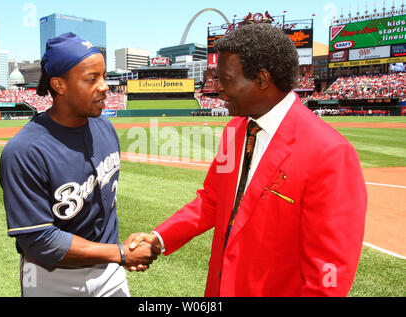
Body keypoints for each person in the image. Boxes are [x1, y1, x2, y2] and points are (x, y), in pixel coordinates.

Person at [130, 23, 367, 297]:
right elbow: (212, 201)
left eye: (225, 79)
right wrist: (160, 239)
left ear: (262, 79)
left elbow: (329, 271)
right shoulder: (235, 130)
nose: (217, 88)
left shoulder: (330, 153)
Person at [0, 32, 159, 297]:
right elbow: (39, 241)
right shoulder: (24, 151)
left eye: (104, 76)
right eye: (91, 78)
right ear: (59, 85)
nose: (105, 86)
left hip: (110, 272)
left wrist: (114, 256)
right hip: (52, 278)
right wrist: (120, 253)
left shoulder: (105, 128)